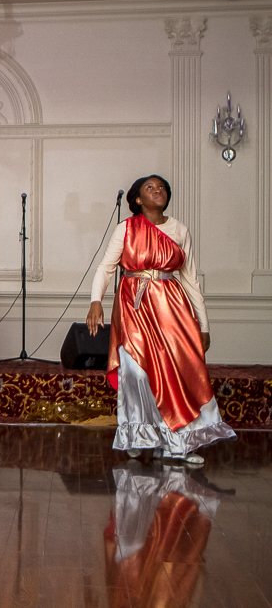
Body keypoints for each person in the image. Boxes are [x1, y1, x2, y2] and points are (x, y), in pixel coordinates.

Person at [86, 175, 235, 464]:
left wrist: (203, 324)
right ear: (138, 199)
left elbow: (191, 280)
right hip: (133, 307)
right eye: (150, 188)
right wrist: (95, 302)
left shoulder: (179, 229)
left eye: (162, 187)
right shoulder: (126, 229)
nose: (158, 191)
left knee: (176, 374)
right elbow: (106, 267)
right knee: (136, 373)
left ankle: (177, 443)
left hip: (172, 310)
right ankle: (138, 436)